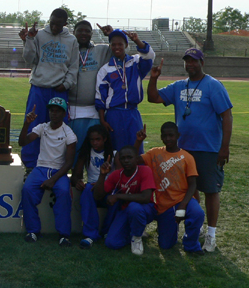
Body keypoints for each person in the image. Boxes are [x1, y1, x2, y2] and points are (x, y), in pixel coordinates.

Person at [147, 48, 233, 252]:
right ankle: (198, 228)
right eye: (187, 61)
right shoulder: (179, 86)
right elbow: (153, 98)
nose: (190, 64)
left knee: (211, 190)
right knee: (190, 189)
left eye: (194, 61)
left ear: (202, 62)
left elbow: (227, 116)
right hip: (183, 150)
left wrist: (224, 147)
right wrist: (153, 79)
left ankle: (211, 234)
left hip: (208, 148)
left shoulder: (213, 85)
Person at [18, 8, 79, 169]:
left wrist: (66, 84)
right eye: (52, 23)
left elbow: (73, 67)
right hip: (39, 88)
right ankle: (30, 166)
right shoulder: (39, 35)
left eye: (58, 25)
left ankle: (57, 166)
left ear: (65, 24)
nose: (54, 27)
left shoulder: (71, 40)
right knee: (33, 124)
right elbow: (30, 59)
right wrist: (30, 39)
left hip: (59, 90)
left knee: (58, 129)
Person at [135, 122, 205, 255]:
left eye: (171, 135)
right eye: (165, 136)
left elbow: (193, 184)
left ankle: (191, 245)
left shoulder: (187, 157)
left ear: (178, 136)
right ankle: (171, 229)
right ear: (161, 137)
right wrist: (138, 142)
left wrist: (183, 205)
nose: (168, 139)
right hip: (165, 204)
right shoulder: (154, 153)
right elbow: (134, 160)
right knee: (166, 245)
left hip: (184, 199)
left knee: (197, 213)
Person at [19, 97, 77, 246]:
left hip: (59, 170)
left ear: (64, 114)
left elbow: (69, 163)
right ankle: (33, 231)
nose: (54, 114)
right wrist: (26, 124)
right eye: (52, 110)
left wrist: (53, 179)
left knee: (64, 192)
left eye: (58, 111)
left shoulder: (69, 134)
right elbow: (22, 142)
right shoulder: (42, 127)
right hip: (40, 168)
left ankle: (64, 234)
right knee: (27, 189)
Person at [95, 29, 155, 153]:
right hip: (114, 114)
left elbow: (149, 56)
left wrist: (137, 40)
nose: (117, 47)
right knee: (116, 151)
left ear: (126, 45)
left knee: (136, 149)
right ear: (110, 46)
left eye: (120, 44)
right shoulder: (105, 70)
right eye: (114, 44)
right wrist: (102, 120)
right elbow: (100, 97)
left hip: (133, 113)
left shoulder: (135, 62)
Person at [93, 145, 156, 255]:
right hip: (125, 212)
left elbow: (145, 198)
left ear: (136, 159)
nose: (126, 161)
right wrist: (102, 175)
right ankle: (135, 232)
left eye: (129, 157)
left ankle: (136, 238)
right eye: (123, 158)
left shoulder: (145, 170)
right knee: (111, 243)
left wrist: (118, 196)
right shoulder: (116, 174)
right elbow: (98, 196)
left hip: (145, 210)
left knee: (134, 207)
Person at [67, 21, 113, 161]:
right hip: (73, 109)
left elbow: (122, 50)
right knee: (74, 148)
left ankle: (93, 178)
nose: (84, 34)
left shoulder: (100, 50)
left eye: (87, 31)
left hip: (94, 110)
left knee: (94, 150)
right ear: (73, 32)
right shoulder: (68, 49)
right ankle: (75, 178)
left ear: (92, 33)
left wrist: (111, 35)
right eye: (80, 30)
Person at [71, 124, 114, 249]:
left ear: (104, 139)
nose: (94, 143)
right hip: (92, 186)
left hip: (107, 187)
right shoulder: (86, 153)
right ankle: (90, 234)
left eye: (98, 139)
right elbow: (75, 176)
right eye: (92, 140)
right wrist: (78, 181)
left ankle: (107, 231)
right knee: (87, 192)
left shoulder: (113, 153)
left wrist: (105, 183)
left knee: (116, 199)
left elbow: (119, 177)